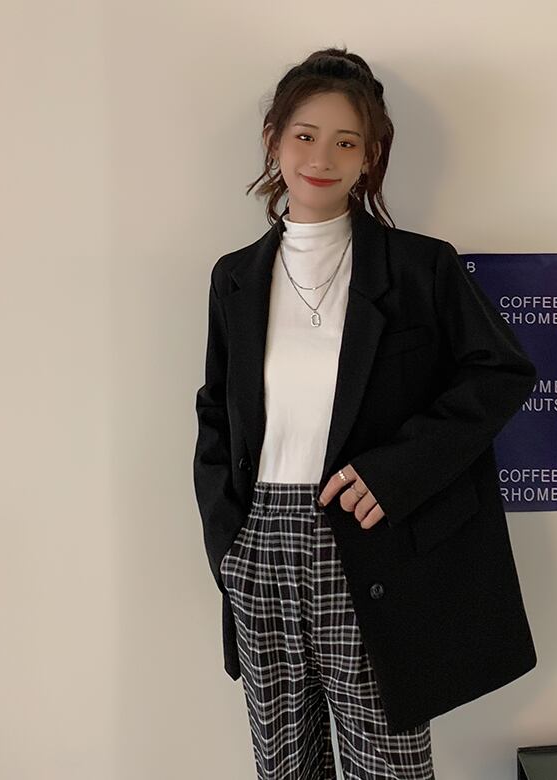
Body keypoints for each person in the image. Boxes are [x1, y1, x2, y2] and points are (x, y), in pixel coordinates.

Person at [193, 46, 538, 780]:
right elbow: (215, 413)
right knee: (284, 766)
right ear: (273, 140)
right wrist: (229, 543)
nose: (322, 158)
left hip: (369, 540)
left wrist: (396, 473)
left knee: (390, 764)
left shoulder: (420, 268)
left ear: (370, 156)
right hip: (261, 545)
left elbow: (501, 372)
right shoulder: (235, 278)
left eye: (347, 142)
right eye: (305, 135)